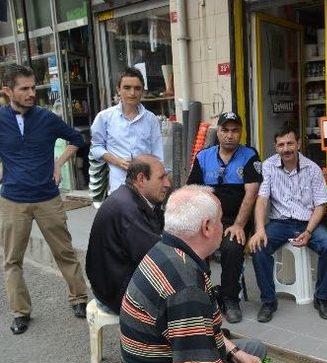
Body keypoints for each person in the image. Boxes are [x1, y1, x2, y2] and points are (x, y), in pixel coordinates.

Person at [120, 185, 308, 363]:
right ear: (207, 227)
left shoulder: (168, 251)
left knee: (253, 349)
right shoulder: (186, 284)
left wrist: (233, 351)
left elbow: (200, 330)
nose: (225, 226)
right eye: (221, 220)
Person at [0, 64, 88, 334]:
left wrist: (59, 163)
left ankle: (79, 298)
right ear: (7, 91)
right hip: (13, 200)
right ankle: (20, 312)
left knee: (64, 251)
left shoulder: (46, 118)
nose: (31, 93)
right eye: (24, 88)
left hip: (48, 198)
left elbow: (77, 139)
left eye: (33, 87)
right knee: (12, 260)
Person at [248, 126, 327, 323]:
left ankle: (321, 297)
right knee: (258, 247)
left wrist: (308, 231)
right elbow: (262, 200)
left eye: (290, 143)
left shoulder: (312, 169)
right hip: (280, 223)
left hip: (308, 222)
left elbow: (321, 206)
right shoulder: (268, 166)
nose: (286, 148)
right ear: (276, 147)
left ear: (298, 144)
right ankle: (269, 301)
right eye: (281, 145)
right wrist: (260, 230)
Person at [187, 112, 261, 323]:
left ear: (241, 132)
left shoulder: (250, 156)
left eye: (235, 130)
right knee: (193, 248)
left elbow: (251, 193)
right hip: (208, 219)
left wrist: (239, 225)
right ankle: (204, 297)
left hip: (234, 220)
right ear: (217, 131)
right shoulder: (203, 156)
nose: (230, 135)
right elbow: (193, 191)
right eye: (225, 130)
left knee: (231, 247)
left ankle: (230, 298)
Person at [85, 155, 170, 314]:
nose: (167, 183)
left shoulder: (131, 196)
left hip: (112, 284)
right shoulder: (128, 210)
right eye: (161, 178)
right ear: (141, 179)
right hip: (115, 295)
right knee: (179, 290)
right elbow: (155, 259)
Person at [90, 67, 164, 195]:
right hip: (118, 186)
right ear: (118, 89)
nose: (132, 93)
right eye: (127, 87)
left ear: (143, 91)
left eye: (137, 88)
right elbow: (96, 148)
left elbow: (158, 154)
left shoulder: (151, 119)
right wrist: (117, 161)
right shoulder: (105, 117)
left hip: (146, 186)